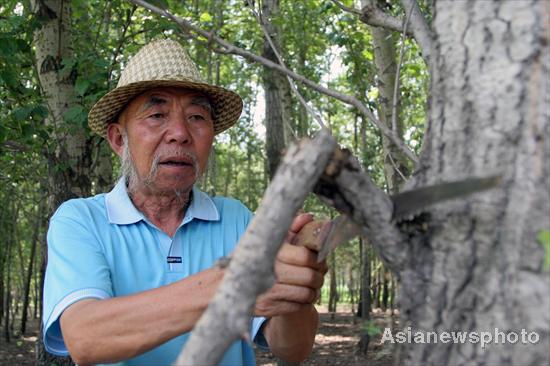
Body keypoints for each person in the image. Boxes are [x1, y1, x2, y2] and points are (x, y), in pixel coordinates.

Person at [43, 39, 327, 366]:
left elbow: (292, 349)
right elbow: (85, 337)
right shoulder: (81, 220)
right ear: (119, 140)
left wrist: (293, 288)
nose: (180, 133)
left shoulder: (236, 219)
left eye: (196, 116)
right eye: (157, 114)